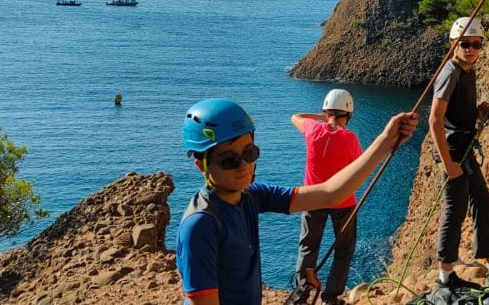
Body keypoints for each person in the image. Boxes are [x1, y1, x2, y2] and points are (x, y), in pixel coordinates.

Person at [175, 98, 417, 305]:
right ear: (201, 165)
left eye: (250, 153)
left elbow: (330, 193)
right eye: (229, 160)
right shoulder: (200, 225)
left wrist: (385, 142)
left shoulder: (250, 196)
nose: (244, 166)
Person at [429, 17, 489, 290]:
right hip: (453, 151)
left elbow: (455, 115)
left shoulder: (467, 70)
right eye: (465, 44)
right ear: (453, 44)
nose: (470, 49)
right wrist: (448, 163)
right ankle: (444, 278)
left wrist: (478, 113)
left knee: (483, 203)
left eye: (476, 44)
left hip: (463, 147)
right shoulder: (451, 73)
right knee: (454, 211)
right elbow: (435, 120)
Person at [290, 89, 362, 305]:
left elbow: (295, 117)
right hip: (343, 202)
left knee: (308, 247)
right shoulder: (350, 138)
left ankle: (301, 295)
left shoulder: (312, 130)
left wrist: (320, 118)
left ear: (326, 111)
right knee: (343, 251)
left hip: (312, 199)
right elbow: (358, 168)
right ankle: (331, 298)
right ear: (347, 115)